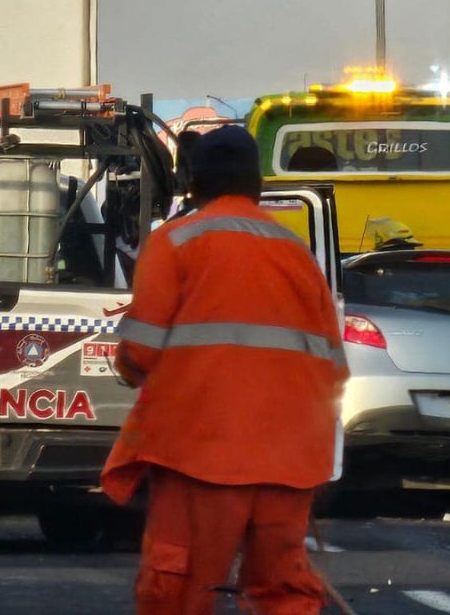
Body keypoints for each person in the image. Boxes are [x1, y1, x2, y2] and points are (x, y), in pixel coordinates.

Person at [101, 125, 345, 615]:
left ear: (195, 182)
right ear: (256, 183)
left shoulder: (177, 242)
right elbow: (333, 367)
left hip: (202, 452)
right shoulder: (296, 252)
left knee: (180, 581)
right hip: (290, 456)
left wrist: (126, 367)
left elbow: (141, 351)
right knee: (284, 588)